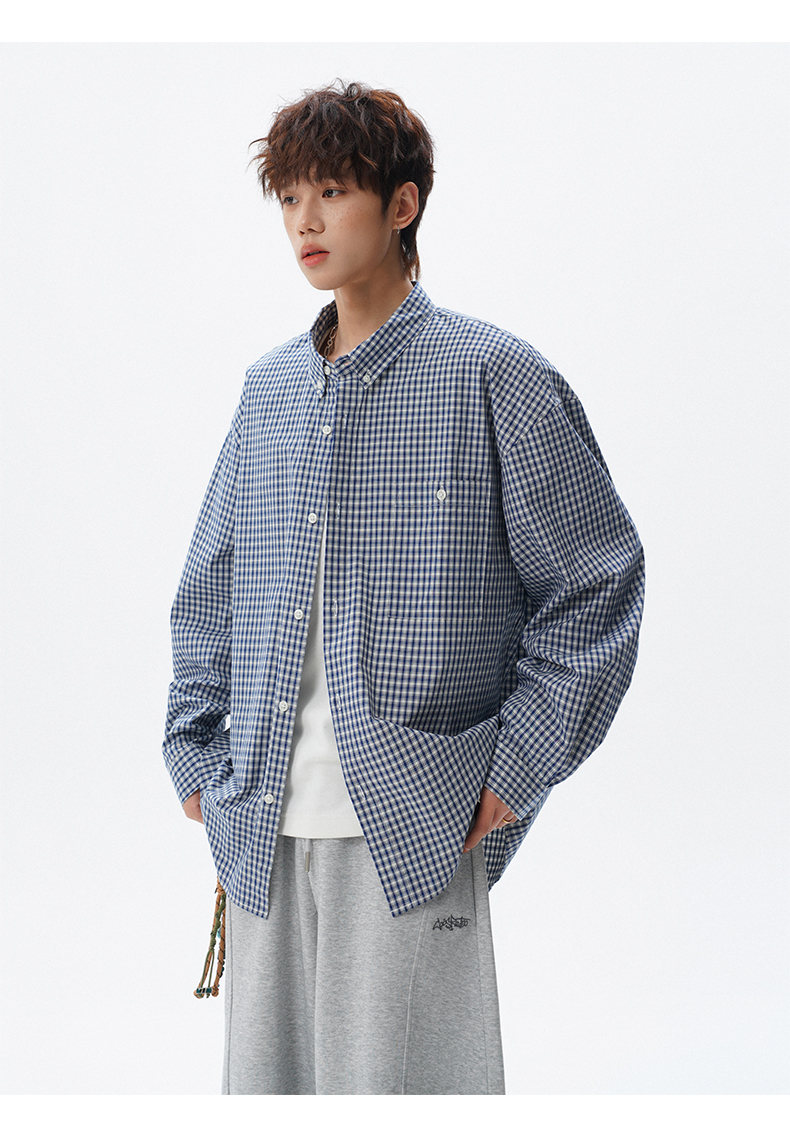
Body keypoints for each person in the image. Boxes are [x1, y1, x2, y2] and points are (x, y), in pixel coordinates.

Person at [162, 79, 646, 1096]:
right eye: (288, 196)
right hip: (259, 826)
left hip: (414, 822)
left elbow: (596, 585)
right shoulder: (269, 390)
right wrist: (197, 755)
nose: (304, 220)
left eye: (331, 191)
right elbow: (209, 586)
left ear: (402, 203)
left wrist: (512, 769)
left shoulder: (492, 374)